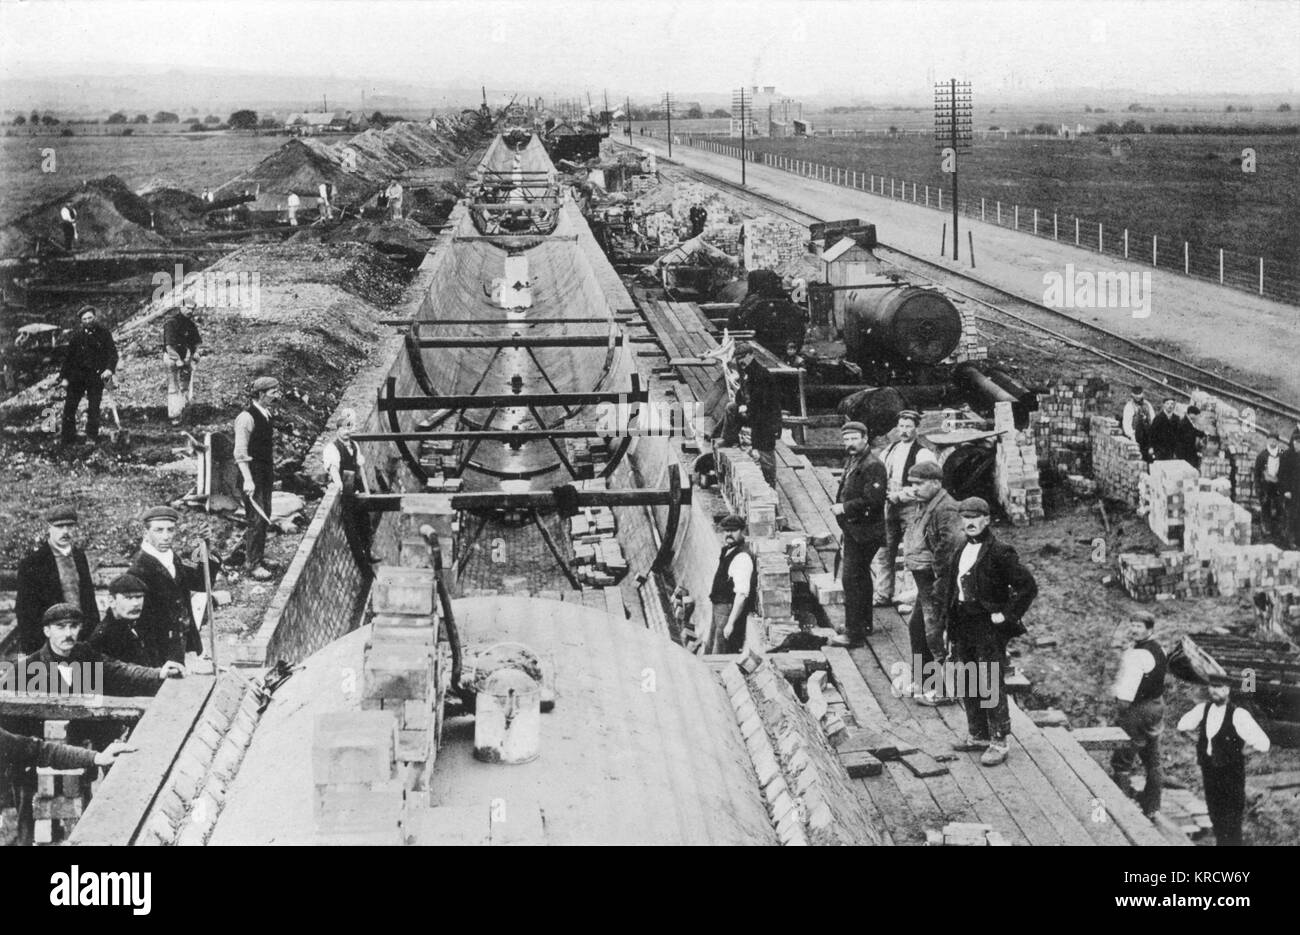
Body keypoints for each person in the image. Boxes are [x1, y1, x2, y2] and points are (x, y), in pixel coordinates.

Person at [944, 497, 1038, 767]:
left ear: (987, 520)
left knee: (989, 681)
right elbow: (952, 589)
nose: (970, 522)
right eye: (965, 517)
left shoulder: (1000, 551)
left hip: (986, 627)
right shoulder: (961, 547)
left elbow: (1027, 587)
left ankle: (999, 740)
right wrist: (947, 625)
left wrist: (1006, 614)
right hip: (962, 623)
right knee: (968, 678)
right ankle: (978, 735)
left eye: (976, 517)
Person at [1176, 676, 1271, 846]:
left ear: (1227, 690)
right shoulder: (1202, 709)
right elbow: (1182, 725)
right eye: (1212, 686)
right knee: (1215, 813)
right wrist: (1199, 743)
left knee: (1231, 818)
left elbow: (1263, 743)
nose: (1214, 690)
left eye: (1219, 687)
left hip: (1231, 774)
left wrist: (1243, 752)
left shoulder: (1238, 714)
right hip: (1209, 769)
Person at [900, 461, 963, 705]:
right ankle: (925, 680)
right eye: (912, 483)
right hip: (924, 579)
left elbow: (948, 549)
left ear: (936, 483)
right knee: (918, 628)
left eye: (919, 484)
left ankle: (941, 690)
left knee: (934, 635)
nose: (914, 489)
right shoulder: (926, 503)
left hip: (937, 582)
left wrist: (940, 586)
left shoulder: (946, 509)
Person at [127, 506, 218, 667]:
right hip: (159, 654)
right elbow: (138, 623)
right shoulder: (138, 569)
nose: (166, 537)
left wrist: (207, 546)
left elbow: (201, 583)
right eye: (159, 530)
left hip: (184, 645)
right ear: (145, 533)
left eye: (170, 530)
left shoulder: (171, 558)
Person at [829, 421, 887, 647]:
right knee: (861, 576)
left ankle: (853, 633)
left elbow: (874, 501)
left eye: (854, 438)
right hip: (853, 529)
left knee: (851, 579)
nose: (849, 443)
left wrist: (844, 508)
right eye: (846, 439)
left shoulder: (873, 465)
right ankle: (863, 623)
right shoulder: (855, 460)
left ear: (865, 438)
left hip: (865, 531)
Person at [872, 410, 938, 607]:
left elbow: (928, 484)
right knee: (884, 551)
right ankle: (883, 594)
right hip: (889, 507)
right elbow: (880, 472)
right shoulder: (890, 449)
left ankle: (911, 598)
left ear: (916, 429)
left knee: (913, 553)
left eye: (908, 427)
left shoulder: (923, 453)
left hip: (912, 508)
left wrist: (901, 495)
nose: (904, 431)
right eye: (901, 426)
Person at [15, 505, 100, 654]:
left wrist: (94, 638)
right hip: (49, 645)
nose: (65, 531)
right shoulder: (32, 563)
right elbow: (25, 612)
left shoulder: (79, 557)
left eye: (70, 526)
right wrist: (36, 650)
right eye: (60, 526)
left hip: (80, 639)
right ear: (49, 528)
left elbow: (89, 600)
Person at [1110, 612, 1167, 817]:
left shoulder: (1137, 655)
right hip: (1156, 705)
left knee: (1122, 759)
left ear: (1149, 628)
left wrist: (1119, 713)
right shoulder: (1159, 648)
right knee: (1152, 759)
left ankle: (1122, 812)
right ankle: (1152, 808)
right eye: (1132, 625)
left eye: (1139, 626)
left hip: (1137, 709)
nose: (1134, 629)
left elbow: (1126, 698)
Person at [234, 376, 280, 579]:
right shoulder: (246, 418)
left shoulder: (266, 413)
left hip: (264, 474)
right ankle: (252, 564)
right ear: (261, 394)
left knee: (265, 515)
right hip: (252, 476)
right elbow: (240, 452)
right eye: (273, 392)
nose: (277, 396)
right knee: (256, 519)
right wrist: (248, 480)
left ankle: (258, 556)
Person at [323, 408, 377, 564]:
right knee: (351, 522)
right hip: (346, 489)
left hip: (356, 486)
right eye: (344, 428)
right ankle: (359, 555)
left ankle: (368, 551)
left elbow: (360, 468)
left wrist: (366, 491)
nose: (347, 432)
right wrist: (340, 486)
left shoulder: (354, 446)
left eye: (350, 428)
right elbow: (333, 469)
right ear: (338, 429)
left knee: (364, 522)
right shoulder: (332, 448)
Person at [58, 305, 117, 445]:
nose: (88, 321)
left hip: (96, 376)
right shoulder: (77, 337)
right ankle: (68, 438)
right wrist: (65, 377)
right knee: (70, 407)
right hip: (77, 377)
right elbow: (69, 358)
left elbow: (112, 354)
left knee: (94, 407)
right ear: (81, 321)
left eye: (90, 318)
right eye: (85, 319)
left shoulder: (104, 334)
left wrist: (109, 369)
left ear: (95, 318)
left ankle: (91, 436)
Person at [706, 515, 755, 654]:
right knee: (712, 646)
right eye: (726, 530)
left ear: (742, 531)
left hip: (727, 610)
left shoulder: (742, 557)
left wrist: (730, 624)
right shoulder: (728, 550)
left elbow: (741, 595)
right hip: (718, 608)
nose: (728, 534)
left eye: (733, 530)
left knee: (720, 650)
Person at [87, 573, 153, 667]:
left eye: (139, 597)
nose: (135, 603)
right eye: (128, 598)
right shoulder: (103, 637)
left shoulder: (140, 627)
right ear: (112, 601)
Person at [162, 308, 201, 424]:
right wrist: (178, 360)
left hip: (186, 357)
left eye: (192, 309)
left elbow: (196, 343)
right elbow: (169, 347)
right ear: (181, 307)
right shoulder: (171, 323)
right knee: (173, 385)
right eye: (188, 308)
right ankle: (174, 415)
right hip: (172, 357)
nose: (190, 311)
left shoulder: (191, 325)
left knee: (185, 385)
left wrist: (196, 353)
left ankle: (184, 412)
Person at [1255, 432, 1285, 544]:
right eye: (1270, 440)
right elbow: (1257, 473)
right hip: (1265, 486)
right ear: (1267, 440)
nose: (1273, 442)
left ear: (1278, 442)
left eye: (1275, 440)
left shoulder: (1282, 454)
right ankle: (1266, 529)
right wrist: (1258, 488)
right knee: (1265, 506)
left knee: (1279, 507)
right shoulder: (1262, 456)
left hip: (1278, 486)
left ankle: (1279, 531)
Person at [1121, 386, 1155, 463]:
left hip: (1148, 435)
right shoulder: (1129, 406)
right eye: (1136, 396)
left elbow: (1153, 419)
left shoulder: (1147, 405)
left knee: (1150, 455)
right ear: (1133, 396)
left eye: (1140, 395)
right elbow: (1126, 424)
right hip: (1136, 436)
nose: (1138, 398)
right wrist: (1131, 436)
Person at [1279, 430, 1300, 550]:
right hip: (1290, 493)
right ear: (1294, 442)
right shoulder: (1287, 455)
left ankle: (1297, 539)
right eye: (1298, 442)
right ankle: (1289, 540)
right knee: (1290, 516)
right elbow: (1282, 475)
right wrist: (1286, 490)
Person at [1147, 397, 1183, 462]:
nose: (1170, 406)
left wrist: (1177, 450)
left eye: (1172, 404)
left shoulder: (1176, 419)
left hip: (1171, 450)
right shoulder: (1158, 418)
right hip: (1159, 449)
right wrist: (1151, 447)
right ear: (1164, 405)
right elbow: (1151, 434)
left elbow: (1179, 435)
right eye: (1167, 404)